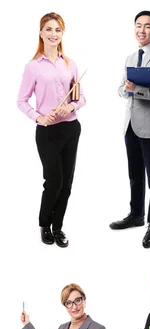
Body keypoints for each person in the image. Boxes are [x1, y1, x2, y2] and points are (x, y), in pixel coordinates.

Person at [17, 12, 85, 248]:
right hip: (47, 131)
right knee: (53, 180)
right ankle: (44, 224)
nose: (53, 34)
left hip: (71, 128)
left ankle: (59, 227)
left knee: (67, 182)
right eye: (49, 29)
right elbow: (21, 101)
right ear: (41, 32)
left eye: (58, 30)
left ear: (62, 33)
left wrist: (71, 106)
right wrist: (40, 116)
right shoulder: (33, 67)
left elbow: (81, 97)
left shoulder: (71, 64)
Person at [110, 11, 150, 249]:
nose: (142, 30)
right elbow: (120, 89)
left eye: (147, 26)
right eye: (138, 25)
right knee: (135, 175)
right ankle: (136, 215)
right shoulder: (130, 57)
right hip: (130, 124)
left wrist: (137, 88)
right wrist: (126, 89)